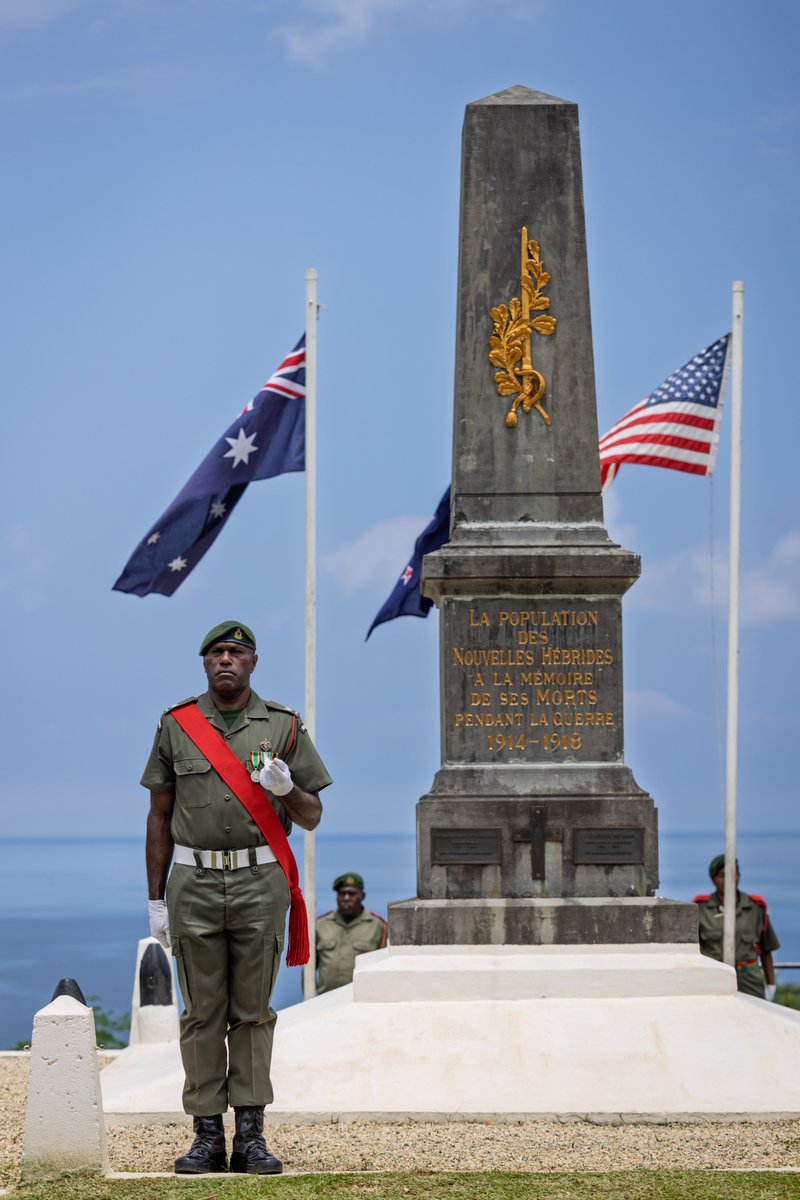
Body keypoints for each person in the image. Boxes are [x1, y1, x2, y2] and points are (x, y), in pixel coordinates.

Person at [142, 621, 332, 1176]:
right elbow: (158, 816)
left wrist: (285, 789)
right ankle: (206, 1135)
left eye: (237, 653)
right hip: (194, 884)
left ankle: (250, 1136)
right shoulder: (177, 725)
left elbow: (313, 815)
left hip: (260, 883)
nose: (227, 660)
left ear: (253, 663)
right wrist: (156, 901)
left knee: (252, 1014)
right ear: (205, 663)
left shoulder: (283, 726)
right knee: (202, 1013)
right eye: (218, 653)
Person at [693, 854, 780, 1000]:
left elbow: (766, 950)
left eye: (734, 874)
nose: (729, 880)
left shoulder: (754, 907)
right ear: (713, 879)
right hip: (714, 978)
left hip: (749, 980)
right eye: (722, 876)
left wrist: (771, 986)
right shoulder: (701, 910)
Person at [315, 872, 388, 993]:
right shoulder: (321, 925)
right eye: (342, 893)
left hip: (361, 1000)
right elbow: (308, 970)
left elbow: (384, 969)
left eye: (352, 894)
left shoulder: (378, 926)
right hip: (326, 1002)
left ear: (363, 896)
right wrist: (310, 1002)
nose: (346, 898)